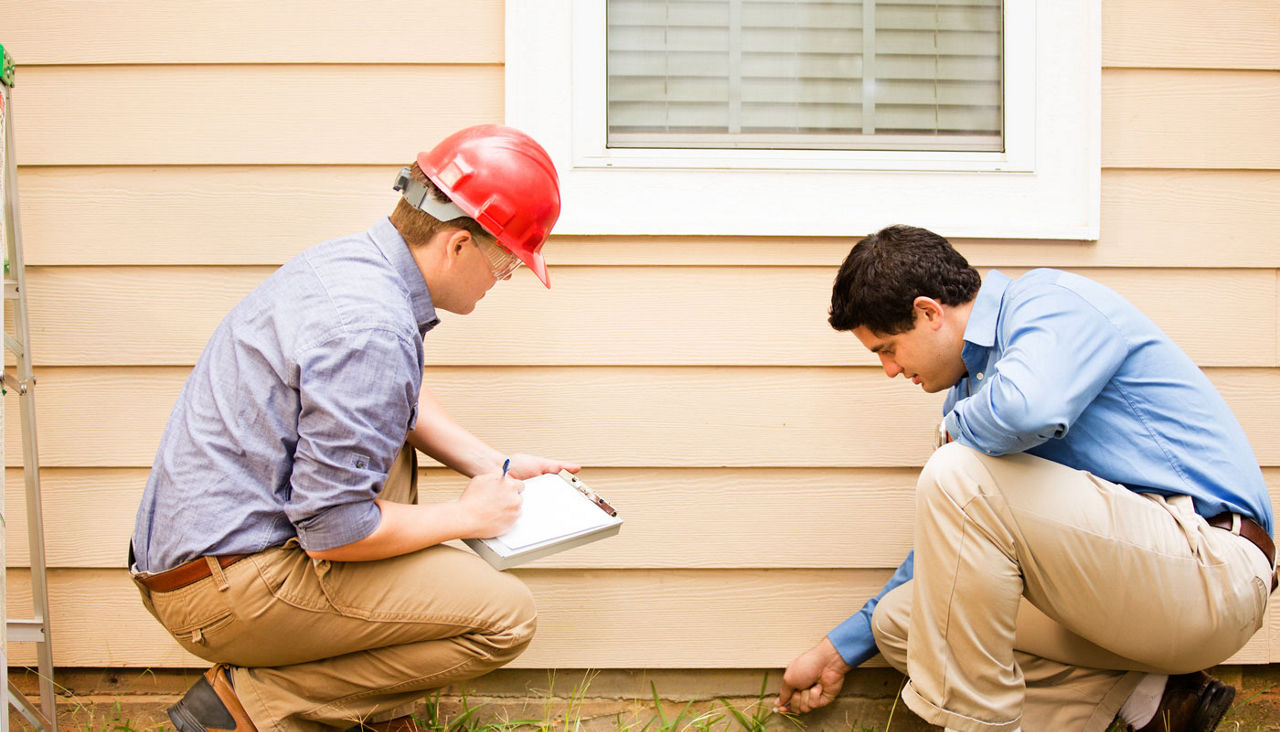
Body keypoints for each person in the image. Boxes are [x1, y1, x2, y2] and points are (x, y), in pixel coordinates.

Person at [130, 125, 576, 732]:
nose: (505, 279)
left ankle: (375, 719)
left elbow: (392, 401)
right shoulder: (369, 328)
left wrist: (491, 466)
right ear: (458, 245)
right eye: (507, 262)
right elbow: (335, 530)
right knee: (506, 617)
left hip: (204, 557)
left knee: (384, 455)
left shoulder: (355, 264)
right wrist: (467, 517)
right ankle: (247, 707)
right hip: (225, 588)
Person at [776, 225, 1274, 732]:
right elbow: (947, 559)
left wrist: (954, 434)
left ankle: (980, 726)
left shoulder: (1047, 304)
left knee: (955, 474)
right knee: (903, 621)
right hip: (1131, 599)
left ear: (928, 312)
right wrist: (837, 652)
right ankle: (1151, 701)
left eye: (887, 348)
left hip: (1210, 570)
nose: (888, 369)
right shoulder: (970, 401)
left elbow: (1030, 410)